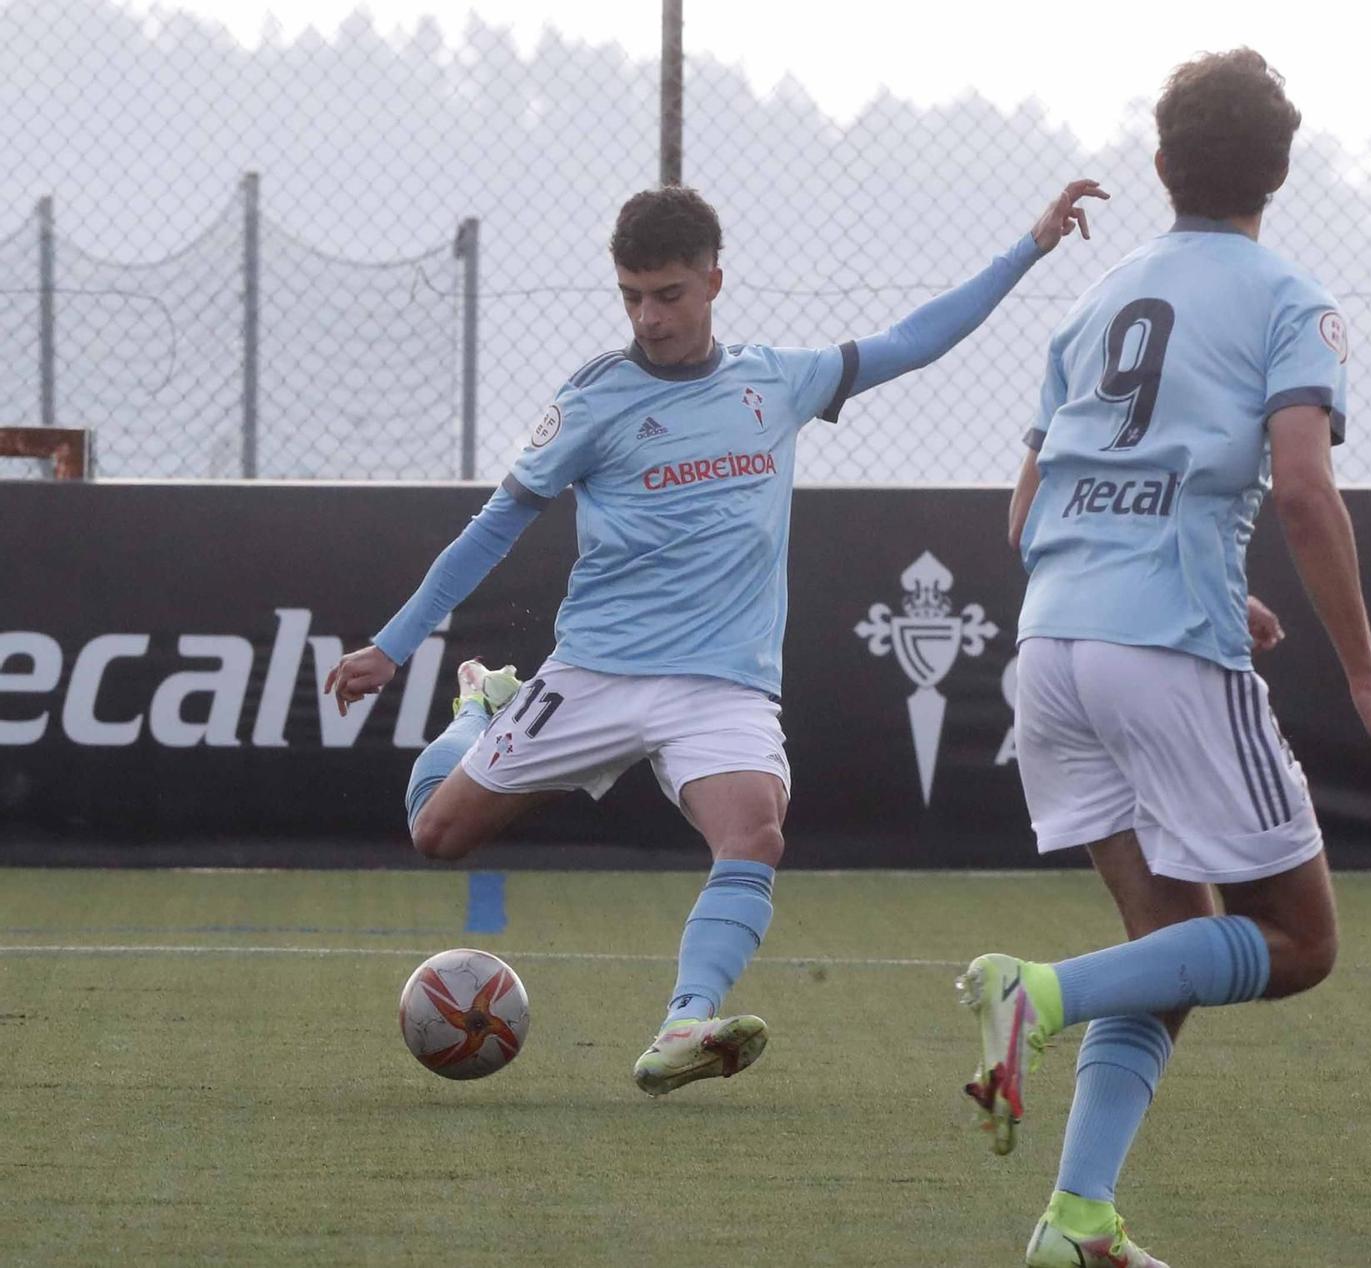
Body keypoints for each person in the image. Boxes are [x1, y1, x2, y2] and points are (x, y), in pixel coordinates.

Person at [322, 177, 1107, 1098]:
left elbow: (916, 339)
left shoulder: (778, 381)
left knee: (755, 833)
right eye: (630, 296)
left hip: (721, 686)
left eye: (668, 295)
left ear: (714, 282)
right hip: (598, 672)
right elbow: (496, 523)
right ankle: (480, 710)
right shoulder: (594, 400)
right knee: (436, 834)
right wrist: (395, 642)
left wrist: (1031, 245)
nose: (648, 318)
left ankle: (684, 1021)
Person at [958, 49, 1371, 1268]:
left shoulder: (1090, 301)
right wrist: (1369, 682)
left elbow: (1024, 517)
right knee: (1299, 942)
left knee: (1163, 950)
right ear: (1280, 170)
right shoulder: (1290, 297)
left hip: (1052, 647)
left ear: (1160, 166)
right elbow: (1303, 493)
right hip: (1162, 647)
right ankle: (1038, 993)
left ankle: (1076, 1217)